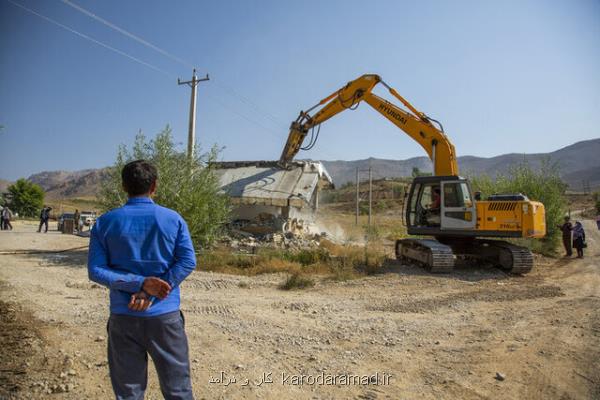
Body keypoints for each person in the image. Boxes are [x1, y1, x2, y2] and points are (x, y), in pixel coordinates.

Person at [88, 159, 196, 400]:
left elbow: (96, 270)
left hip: (123, 316)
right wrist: (152, 288)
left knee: (128, 393)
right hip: (165, 318)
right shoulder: (173, 219)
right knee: (178, 391)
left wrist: (139, 285)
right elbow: (188, 261)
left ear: (124, 186)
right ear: (154, 186)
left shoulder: (105, 222)